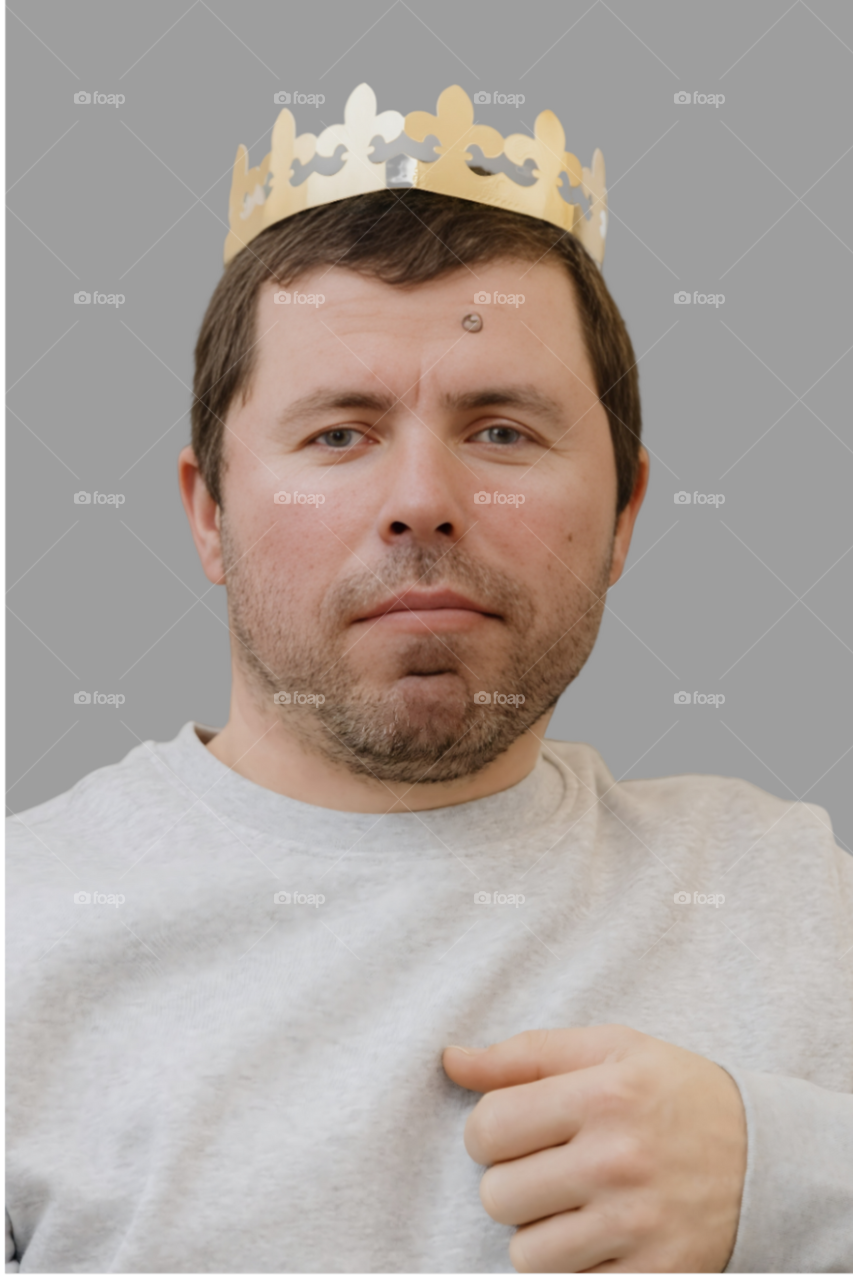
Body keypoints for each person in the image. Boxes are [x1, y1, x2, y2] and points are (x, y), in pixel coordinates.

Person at [5, 86, 852, 1275]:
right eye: (338, 433)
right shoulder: (22, 933)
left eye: (501, 430)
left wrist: (795, 1181)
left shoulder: (797, 901)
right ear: (209, 515)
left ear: (623, 514)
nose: (423, 499)